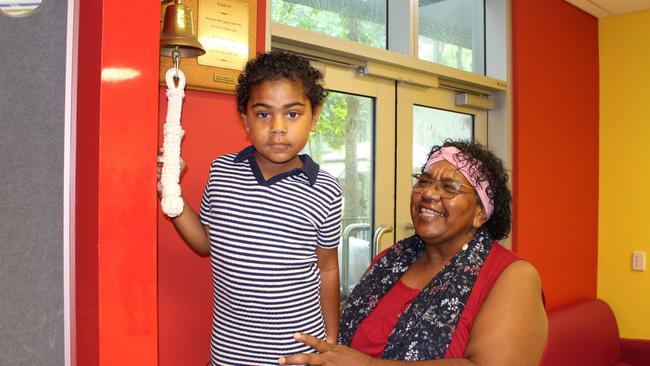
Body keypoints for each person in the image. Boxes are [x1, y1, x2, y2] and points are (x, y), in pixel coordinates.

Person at [280, 140, 548, 365]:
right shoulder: (393, 259)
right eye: (424, 181)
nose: (429, 193)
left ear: (480, 214)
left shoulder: (512, 276)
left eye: (449, 187)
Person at [158, 51, 342, 366]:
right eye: (263, 114)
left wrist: (332, 340)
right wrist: (170, 193)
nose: (279, 127)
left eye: (293, 114)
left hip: (297, 353)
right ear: (245, 119)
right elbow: (205, 242)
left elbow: (327, 268)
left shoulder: (325, 189)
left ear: (316, 116)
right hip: (231, 353)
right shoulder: (222, 172)